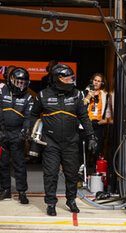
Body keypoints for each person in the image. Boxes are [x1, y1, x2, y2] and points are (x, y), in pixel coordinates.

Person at [30, 64, 97, 216]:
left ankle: (71, 200)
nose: (71, 81)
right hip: (50, 142)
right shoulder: (43, 95)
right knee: (50, 174)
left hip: (71, 141)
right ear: (57, 79)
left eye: (72, 78)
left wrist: (91, 136)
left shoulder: (77, 95)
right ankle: (51, 203)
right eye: (67, 79)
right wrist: (31, 131)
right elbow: (33, 115)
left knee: (72, 174)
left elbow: (84, 117)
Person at [0, 67, 33, 204]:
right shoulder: (2, 91)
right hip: (2, 132)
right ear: (11, 81)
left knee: (19, 164)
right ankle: (6, 189)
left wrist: (25, 131)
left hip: (17, 134)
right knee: (2, 163)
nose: (21, 85)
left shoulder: (28, 97)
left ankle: (22, 192)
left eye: (24, 83)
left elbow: (28, 117)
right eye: (18, 82)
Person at [83, 73, 111, 168]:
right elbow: (79, 108)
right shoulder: (84, 92)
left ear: (102, 84)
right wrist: (88, 96)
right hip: (85, 124)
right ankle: (81, 173)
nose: (96, 83)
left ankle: (97, 174)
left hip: (98, 124)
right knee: (84, 150)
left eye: (99, 81)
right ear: (92, 81)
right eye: (95, 80)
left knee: (98, 150)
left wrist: (104, 121)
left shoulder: (105, 95)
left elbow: (108, 113)